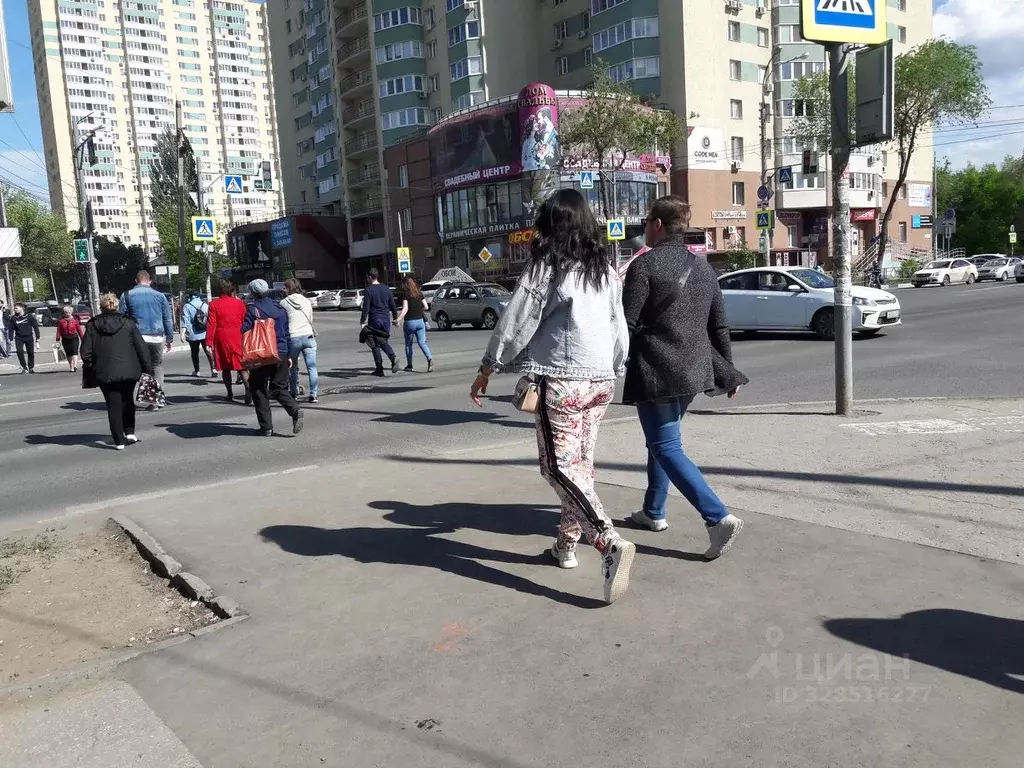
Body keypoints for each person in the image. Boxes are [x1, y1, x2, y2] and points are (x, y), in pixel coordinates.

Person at [469, 188, 634, 605]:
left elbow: (516, 320)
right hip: (600, 382)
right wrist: (616, 366)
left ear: (551, 225)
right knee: (580, 466)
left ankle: (607, 541)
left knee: (557, 468)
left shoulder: (547, 266)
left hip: (562, 381)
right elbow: (619, 325)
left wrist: (488, 366)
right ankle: (565, 546)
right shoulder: (605, 269)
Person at [622, 195, 747, 560]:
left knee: (666, 447)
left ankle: (718, 517)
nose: (645, 228)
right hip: (695, 372)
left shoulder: (644, 267)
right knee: (661, 441)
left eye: (647, 222)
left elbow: (626, 325)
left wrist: (608, 364)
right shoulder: (705, 269)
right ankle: (653, 511)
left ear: (658, 225)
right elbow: (719, 325)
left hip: (657, 372)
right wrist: (728, 370)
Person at [81, 293, 153, 450]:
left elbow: (85, 352)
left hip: (104, 372)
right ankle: (130, 432)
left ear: (101, 307)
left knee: (113, 405)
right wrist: (148, 370)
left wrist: (93, 366)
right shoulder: (128, 323)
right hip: (129, 370)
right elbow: (142, 349)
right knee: (127, 400)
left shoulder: (92, 325)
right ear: (117, 306)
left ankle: (119, 441)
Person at [242, 279, 303, 436]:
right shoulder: (280, 307)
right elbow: (287, 332)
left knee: (258, 388)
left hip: (261, 352)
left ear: (254, 293)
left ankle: (266, 427)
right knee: (279, 388)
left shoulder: (253, 309)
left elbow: (244, 330)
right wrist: (289, 355)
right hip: (281, 352)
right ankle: (294, 409)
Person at [119, 270, 173, 394]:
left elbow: (121, 319)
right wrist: (169, 338)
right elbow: (167, 318)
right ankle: (157, 396)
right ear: (149, 281)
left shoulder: (126, 295)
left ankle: (148, 395)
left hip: (137, 337)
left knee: (142, 367)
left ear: (136, 281)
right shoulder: (160, 296)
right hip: (157, 337)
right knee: (157, 365)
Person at [206, 279, 250, 404]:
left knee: (226, 368)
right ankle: (248, 388)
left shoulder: (214, 304)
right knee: (241, 366)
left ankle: (229, 394)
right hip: (238, 335)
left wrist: (209, 342)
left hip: (222, 336)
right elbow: (245, 320)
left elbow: (211, 324)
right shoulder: (240, 303)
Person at [280, 278, 319, 403]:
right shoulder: (306, 301)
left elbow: (283, 322)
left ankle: (294, 392)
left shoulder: (284, 303)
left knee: (293, 367)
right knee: (312, 367)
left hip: (293, 337)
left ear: (289, 288)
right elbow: (311, 318)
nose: (284, 290)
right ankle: (314, 394)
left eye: (285, 288)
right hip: (308, 335)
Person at [359, 268, 399, 376]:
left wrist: (362, 321)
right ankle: (379, 369)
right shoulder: (386, 289)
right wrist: (395, 318)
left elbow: (366, 308)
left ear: (370, 277)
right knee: (379, 343)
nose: (367, 279)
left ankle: (392, 358)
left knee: (377, 344)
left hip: (375, 320)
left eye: (367, 277)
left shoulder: (368, 290)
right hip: (386, 320)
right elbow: (393, 305)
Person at [395, 276, 433, 372]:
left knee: (408, 344)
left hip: (410, 322)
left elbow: (405, 309)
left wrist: (398, 319)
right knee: (422, 343)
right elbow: (426, 306)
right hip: (420, 321)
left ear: (405, 284)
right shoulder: (419, 293)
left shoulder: (405, 294)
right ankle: (429, 359)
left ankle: (410, 365)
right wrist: (419, 310)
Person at [180, 292, 215, 378]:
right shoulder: (205, 305)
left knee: (194, 353)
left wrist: (183, 333)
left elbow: (186, 321)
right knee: (208, 351)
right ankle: (213, 369)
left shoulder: (187, 306)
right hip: (205, 332)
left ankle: (197, 371)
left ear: (191, 297)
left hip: (193, 334)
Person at [5, 303, 40, 373]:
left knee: (30, 352)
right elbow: (11, 328)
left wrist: (37, 337)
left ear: (21, 308)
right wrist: (10, 338)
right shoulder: (14, 318)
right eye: (14, 308)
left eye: (16, 308)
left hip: (29, 337)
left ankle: (31, 367)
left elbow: (35, 326)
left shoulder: (29, 316)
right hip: (19, 338)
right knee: (19, 351)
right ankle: (24, 367)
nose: (15, 310)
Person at [55, 304, 85, 372]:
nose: (67, 314)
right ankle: (71, 366)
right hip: (65, 339)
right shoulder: (61, 321)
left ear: (71, 312)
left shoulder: (75, 320)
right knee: (68, 353)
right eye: (66, 312)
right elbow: (58, 331)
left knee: (75, 351)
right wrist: (57, 340)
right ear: (64, 312)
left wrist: (83, 338)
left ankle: (75, 365)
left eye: (69, 312)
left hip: (74, 337)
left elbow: (79, 330)